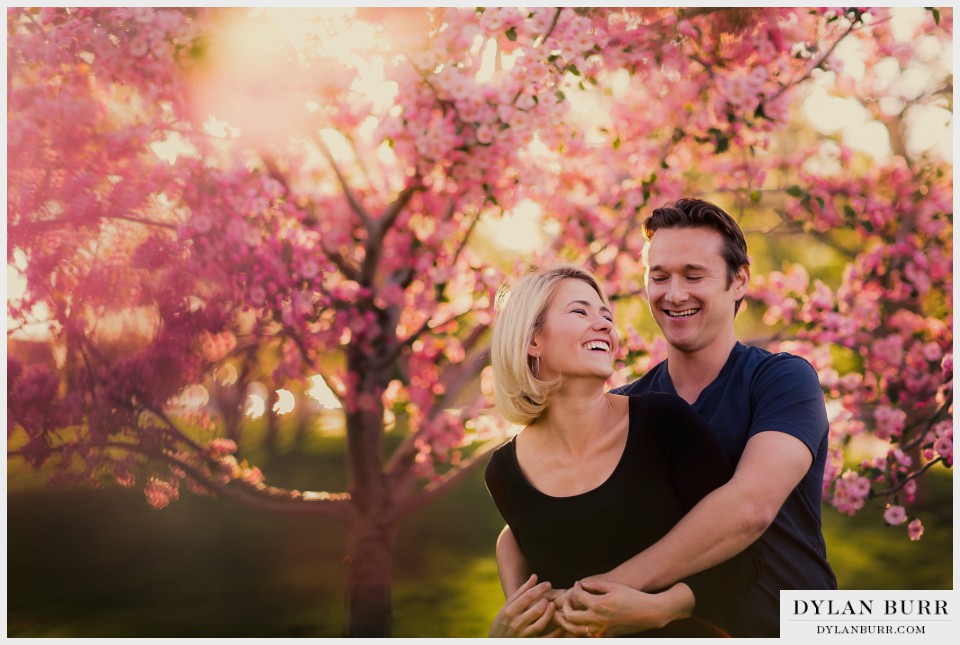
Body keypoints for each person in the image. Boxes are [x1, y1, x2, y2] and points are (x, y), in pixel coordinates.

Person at [496, 198, 837, 637]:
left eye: (694, 276)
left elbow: (749, 507)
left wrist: (610, 591)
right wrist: (521, 608)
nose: (674, 294)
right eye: (659, 278)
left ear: (739, 282)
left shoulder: (781, 380)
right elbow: (533, 515)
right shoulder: (629, 409)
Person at [484, 264, 763, 637]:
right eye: (580, 311)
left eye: (606, 316)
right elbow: (533, 590)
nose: (604, 326)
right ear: (532, 340)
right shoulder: (504, 472)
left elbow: (742, 558)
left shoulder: (663, 422)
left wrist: (659, 609)